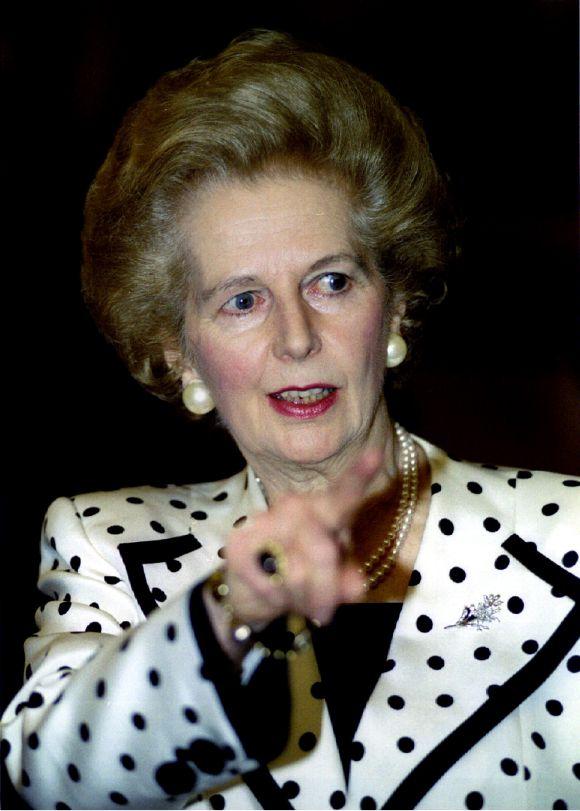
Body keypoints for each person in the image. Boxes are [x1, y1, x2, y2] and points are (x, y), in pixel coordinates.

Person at [1, 30, 578, 811]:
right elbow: (52, 779)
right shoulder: (108, 547)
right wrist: (230, 616)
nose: (297, 337)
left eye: (331, 282)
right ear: (180, 352)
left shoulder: (564, 540)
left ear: (396, 302)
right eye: (242, 300)